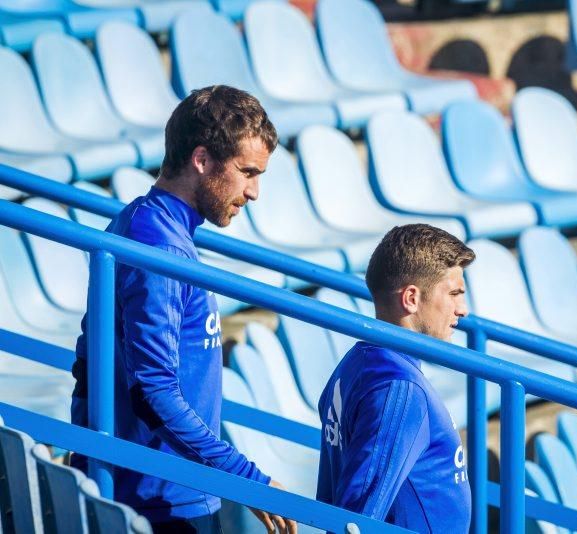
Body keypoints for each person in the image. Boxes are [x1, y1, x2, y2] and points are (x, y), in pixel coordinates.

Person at [70, 85, 297, 534]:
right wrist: (246, 479)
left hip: (167, 489)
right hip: (158, 504)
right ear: (201, 160)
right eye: (247, 172)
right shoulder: (158, 247)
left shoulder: (151, 225)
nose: (254, 193)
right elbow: (153, 391)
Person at [316, 224, 474, 532]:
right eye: (454, 293)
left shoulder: (358, 362)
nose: (463, 310)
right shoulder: (397, 389)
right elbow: (356, 521)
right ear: (412, 298)